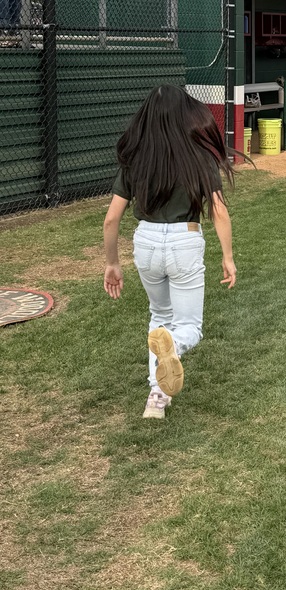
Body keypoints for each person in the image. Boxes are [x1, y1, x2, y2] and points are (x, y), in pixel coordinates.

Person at [102, 85, 237, 420]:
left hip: (145, 242)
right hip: (184, 242)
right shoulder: (199, 155)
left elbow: (111, 219)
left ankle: (156, 399)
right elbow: (219, 210)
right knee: (188, 326)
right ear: (185, 115)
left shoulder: (134, 158)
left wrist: (112, 263)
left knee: (160, 318)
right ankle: (171, 352)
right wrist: (228, 257)